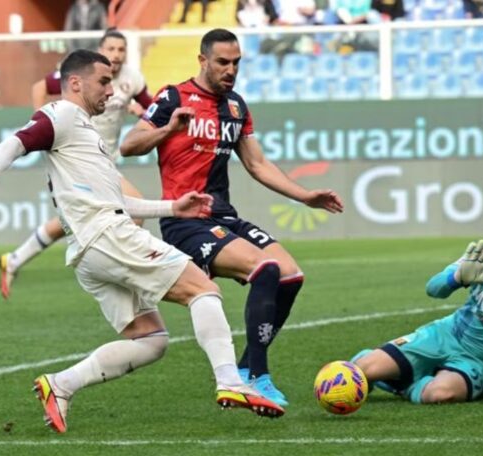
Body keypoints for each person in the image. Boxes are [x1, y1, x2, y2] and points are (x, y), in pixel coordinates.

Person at [0, 49, 285, 433]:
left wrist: (173, 208)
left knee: (151, 340)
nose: (111, 91)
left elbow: (118, 201)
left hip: (89, 251)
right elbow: (20, 139)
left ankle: (61, 385)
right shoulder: (62, 113)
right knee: (203, 289)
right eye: (103, 81)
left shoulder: (85, 133)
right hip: (107, 235)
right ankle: (230, 380)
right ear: (75, 83)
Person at [120, 28, 344, 407]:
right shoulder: (173, 97)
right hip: (185, 221)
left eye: (236, 63)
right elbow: (129, 145)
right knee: (266, 269)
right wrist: (169, 128)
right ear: (202, 60)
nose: (231, 70)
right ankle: (257, 375)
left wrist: (305, 196)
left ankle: (244, 367)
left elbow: (257, 164)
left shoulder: (236, 107)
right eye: (223, 62)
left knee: (290, 275)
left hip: (223, 217)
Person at [352, 207, 483, 404]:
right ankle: (401, 370)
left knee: (439, 394)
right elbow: (433, 289)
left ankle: (405, 380)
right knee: (362, 369)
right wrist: (457, 278)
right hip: (444, 335)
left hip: (482, 364)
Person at [0, 29, 154, 300]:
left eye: (121, 49)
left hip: (105, 161)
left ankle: (13, 260)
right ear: (101, 50)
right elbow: (39, 87)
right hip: (77, 159)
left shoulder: (132, 79)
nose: (116, 54)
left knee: (72, 219)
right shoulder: (85, 73)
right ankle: (125, 269)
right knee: (134, 208)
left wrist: (142, 112)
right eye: (111, 49)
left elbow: (152, 110)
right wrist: (40, 121)